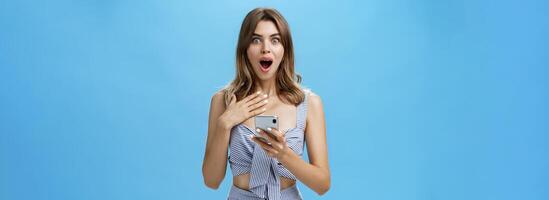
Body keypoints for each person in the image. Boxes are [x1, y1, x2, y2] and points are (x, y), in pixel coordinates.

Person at [202, 8, 330, 200]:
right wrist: (224, 123)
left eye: (275, 40)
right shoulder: (223, 101)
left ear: (285, 49)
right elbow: (211, 181)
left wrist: (284, 155)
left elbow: (322, 185)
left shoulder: (309, 104)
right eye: (256, 40)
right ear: (245, 49)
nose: (265, 48)